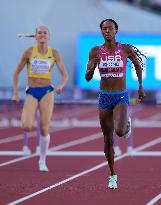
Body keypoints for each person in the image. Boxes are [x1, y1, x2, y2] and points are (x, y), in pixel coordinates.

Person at [85, 19, 146, 189]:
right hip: (104, 97)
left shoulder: (125, 49)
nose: (107, 31)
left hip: (120, 96)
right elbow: (87, 78)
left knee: (119, 131)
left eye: (110, 28)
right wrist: (93, 67)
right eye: (104, 29)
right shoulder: (95, 51)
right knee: (108, 139)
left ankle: (126, 124)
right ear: (101, 32)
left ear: (116, 30)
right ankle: (113, 174)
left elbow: (138, 66)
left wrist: (140, 86)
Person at [12, 25, 68, 172]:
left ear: (49, 36)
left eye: (45, 33)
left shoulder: (54, 53)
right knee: (26, 126)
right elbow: (16, 73)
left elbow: (65, 75)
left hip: (47, 91)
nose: (42, 35)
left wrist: (61, 86)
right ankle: (26, 118)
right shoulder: (29, 52)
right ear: (35, 36)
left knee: (44, 127)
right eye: (39, 33)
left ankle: (42, 160)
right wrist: (15, 93)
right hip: (31, 90)